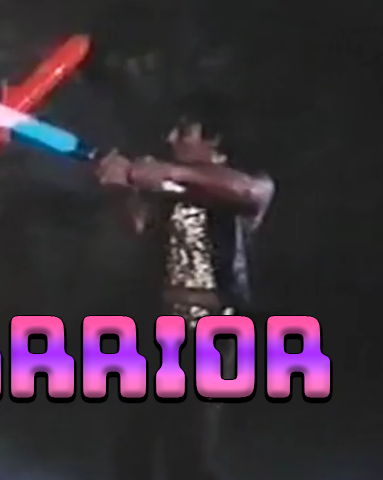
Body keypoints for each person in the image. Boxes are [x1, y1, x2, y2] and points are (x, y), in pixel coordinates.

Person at [94, 91, 274, 479]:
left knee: (190, 450)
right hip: (155, 324)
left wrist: (170, 173)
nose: (172, 138)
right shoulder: (164, 190)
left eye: (184, 130)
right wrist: (121, 188)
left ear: (214, 137)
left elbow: (249, 191)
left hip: (214, 328)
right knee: (132, 443)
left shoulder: (246, 180)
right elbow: (137, 227)